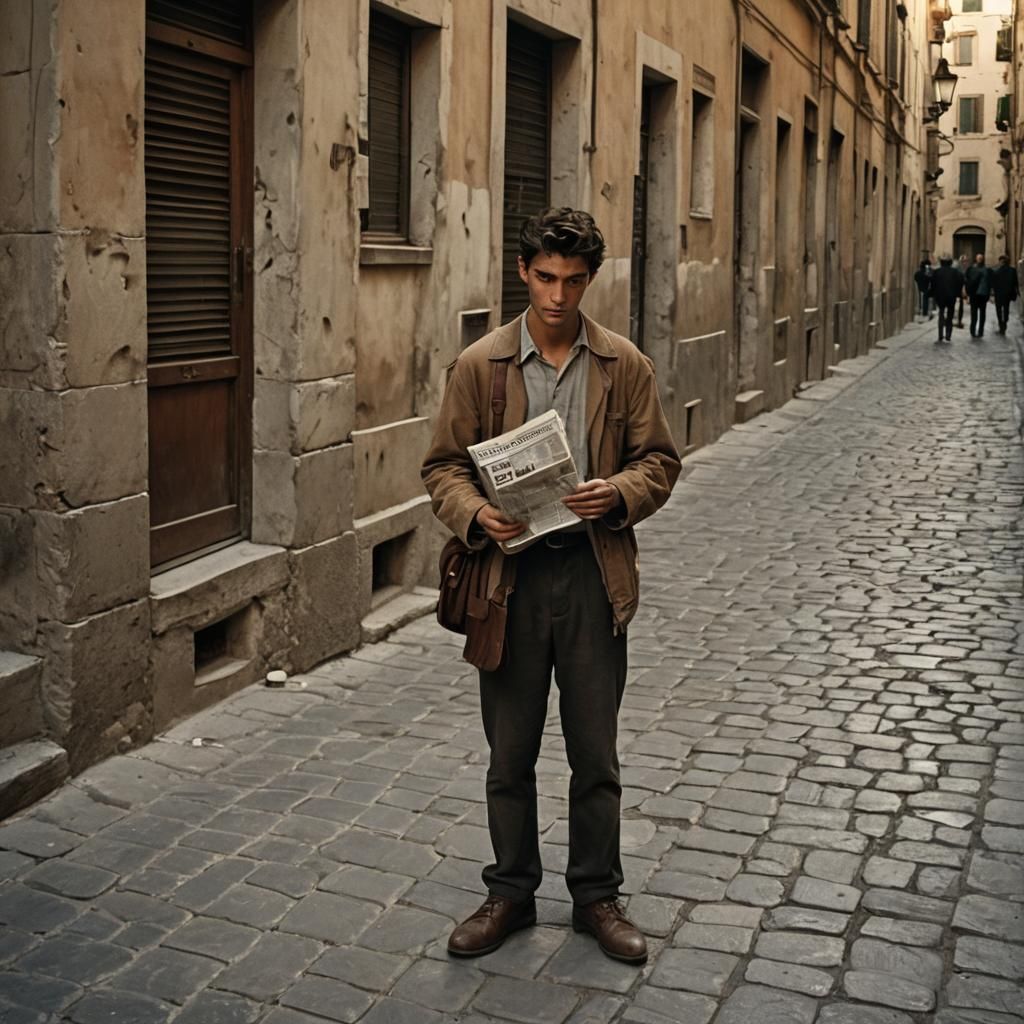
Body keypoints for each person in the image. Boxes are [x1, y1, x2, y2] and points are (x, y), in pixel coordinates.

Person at [422, 208, 680, 966]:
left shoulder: (622, 364)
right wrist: (476, 515)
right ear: (523, 272)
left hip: (593, 575)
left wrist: (621, 494)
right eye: (544, 278)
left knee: (594, 753)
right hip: (510, 581)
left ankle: (597, 897)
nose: (559, 295)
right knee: (510, 753)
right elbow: (442, 467)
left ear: (590, 279)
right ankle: (510, 891)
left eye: (573, 281)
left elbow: (659, 461)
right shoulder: (483, 365)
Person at [930, 255, 964, 344]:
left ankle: (940, 335)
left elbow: (933, 284)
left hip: (940, 297)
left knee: (941, 314)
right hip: (951, 297)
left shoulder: (937, 272)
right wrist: (958, 293)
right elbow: (961, 282)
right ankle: (948, 334)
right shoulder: (955, 272)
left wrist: (933, 294)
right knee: (950, 315)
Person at [965, 252, 993, 337]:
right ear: (976, 259)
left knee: (982, 314)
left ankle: (981, 331)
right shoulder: (971, 269)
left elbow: (990, 282)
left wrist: (990, 293)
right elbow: (967, 281)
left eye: (981, 258)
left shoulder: (987, 270)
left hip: (983, 295)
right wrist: (967, 293)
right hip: (974, 294)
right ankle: (972, 331)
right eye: (978, 258)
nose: (980, 259)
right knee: (974, 314)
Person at [991, 254, 1019, 333]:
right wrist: (1016, 292)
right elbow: (1015, 282)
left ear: (1001, 262)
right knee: (1006, 308)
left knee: (999, 309)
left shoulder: (996, 271)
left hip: (999, 294)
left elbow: (993, 284)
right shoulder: (1012, 270)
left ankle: (1001, 324)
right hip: (1008, 294)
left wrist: (992, 293)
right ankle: (1005, 321)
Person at [956, 254, 970, 327]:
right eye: (964, 261)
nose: (965, 262)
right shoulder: (958, 268)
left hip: (964, 289)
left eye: (966, 261)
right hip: (957, 289)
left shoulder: (968, 269)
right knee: (957, 306)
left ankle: (959, 320)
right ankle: (957, 320)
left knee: (961, 306)